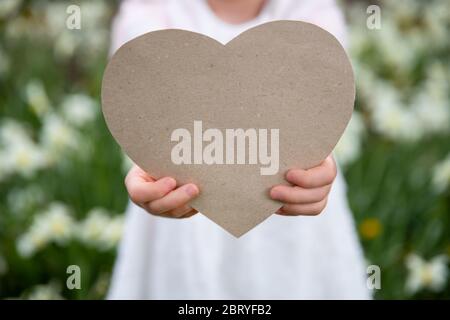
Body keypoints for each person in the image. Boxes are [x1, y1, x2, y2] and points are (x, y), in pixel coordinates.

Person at [108, 0, 370, 299]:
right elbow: (139, 98)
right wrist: (146, 168)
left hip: (292, 207)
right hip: (181, 202)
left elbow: (322, 101)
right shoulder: (153, 10)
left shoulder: (310, 12)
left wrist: (322, 168)